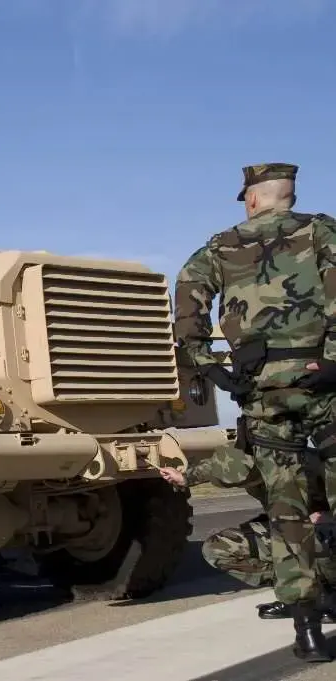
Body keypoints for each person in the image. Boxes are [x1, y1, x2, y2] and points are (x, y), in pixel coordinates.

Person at [174, 162, 336, 662]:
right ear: (289, 195)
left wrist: (213, 370)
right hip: (326, 385)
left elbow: (186, 306)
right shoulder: (323, 231)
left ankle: (307, 631)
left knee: (287, 514)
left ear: (251, 199)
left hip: (263, 392)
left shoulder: (219, 248)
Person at [158, 444, 336, 623]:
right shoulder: (246, 464)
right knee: (219, 548)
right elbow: (215, 468)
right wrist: (184, 478)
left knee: (318, 535)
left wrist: (327, 515)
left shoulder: (312, 464)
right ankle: (296, 594)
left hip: (323, 532)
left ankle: (328, 595)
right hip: (289, 528)